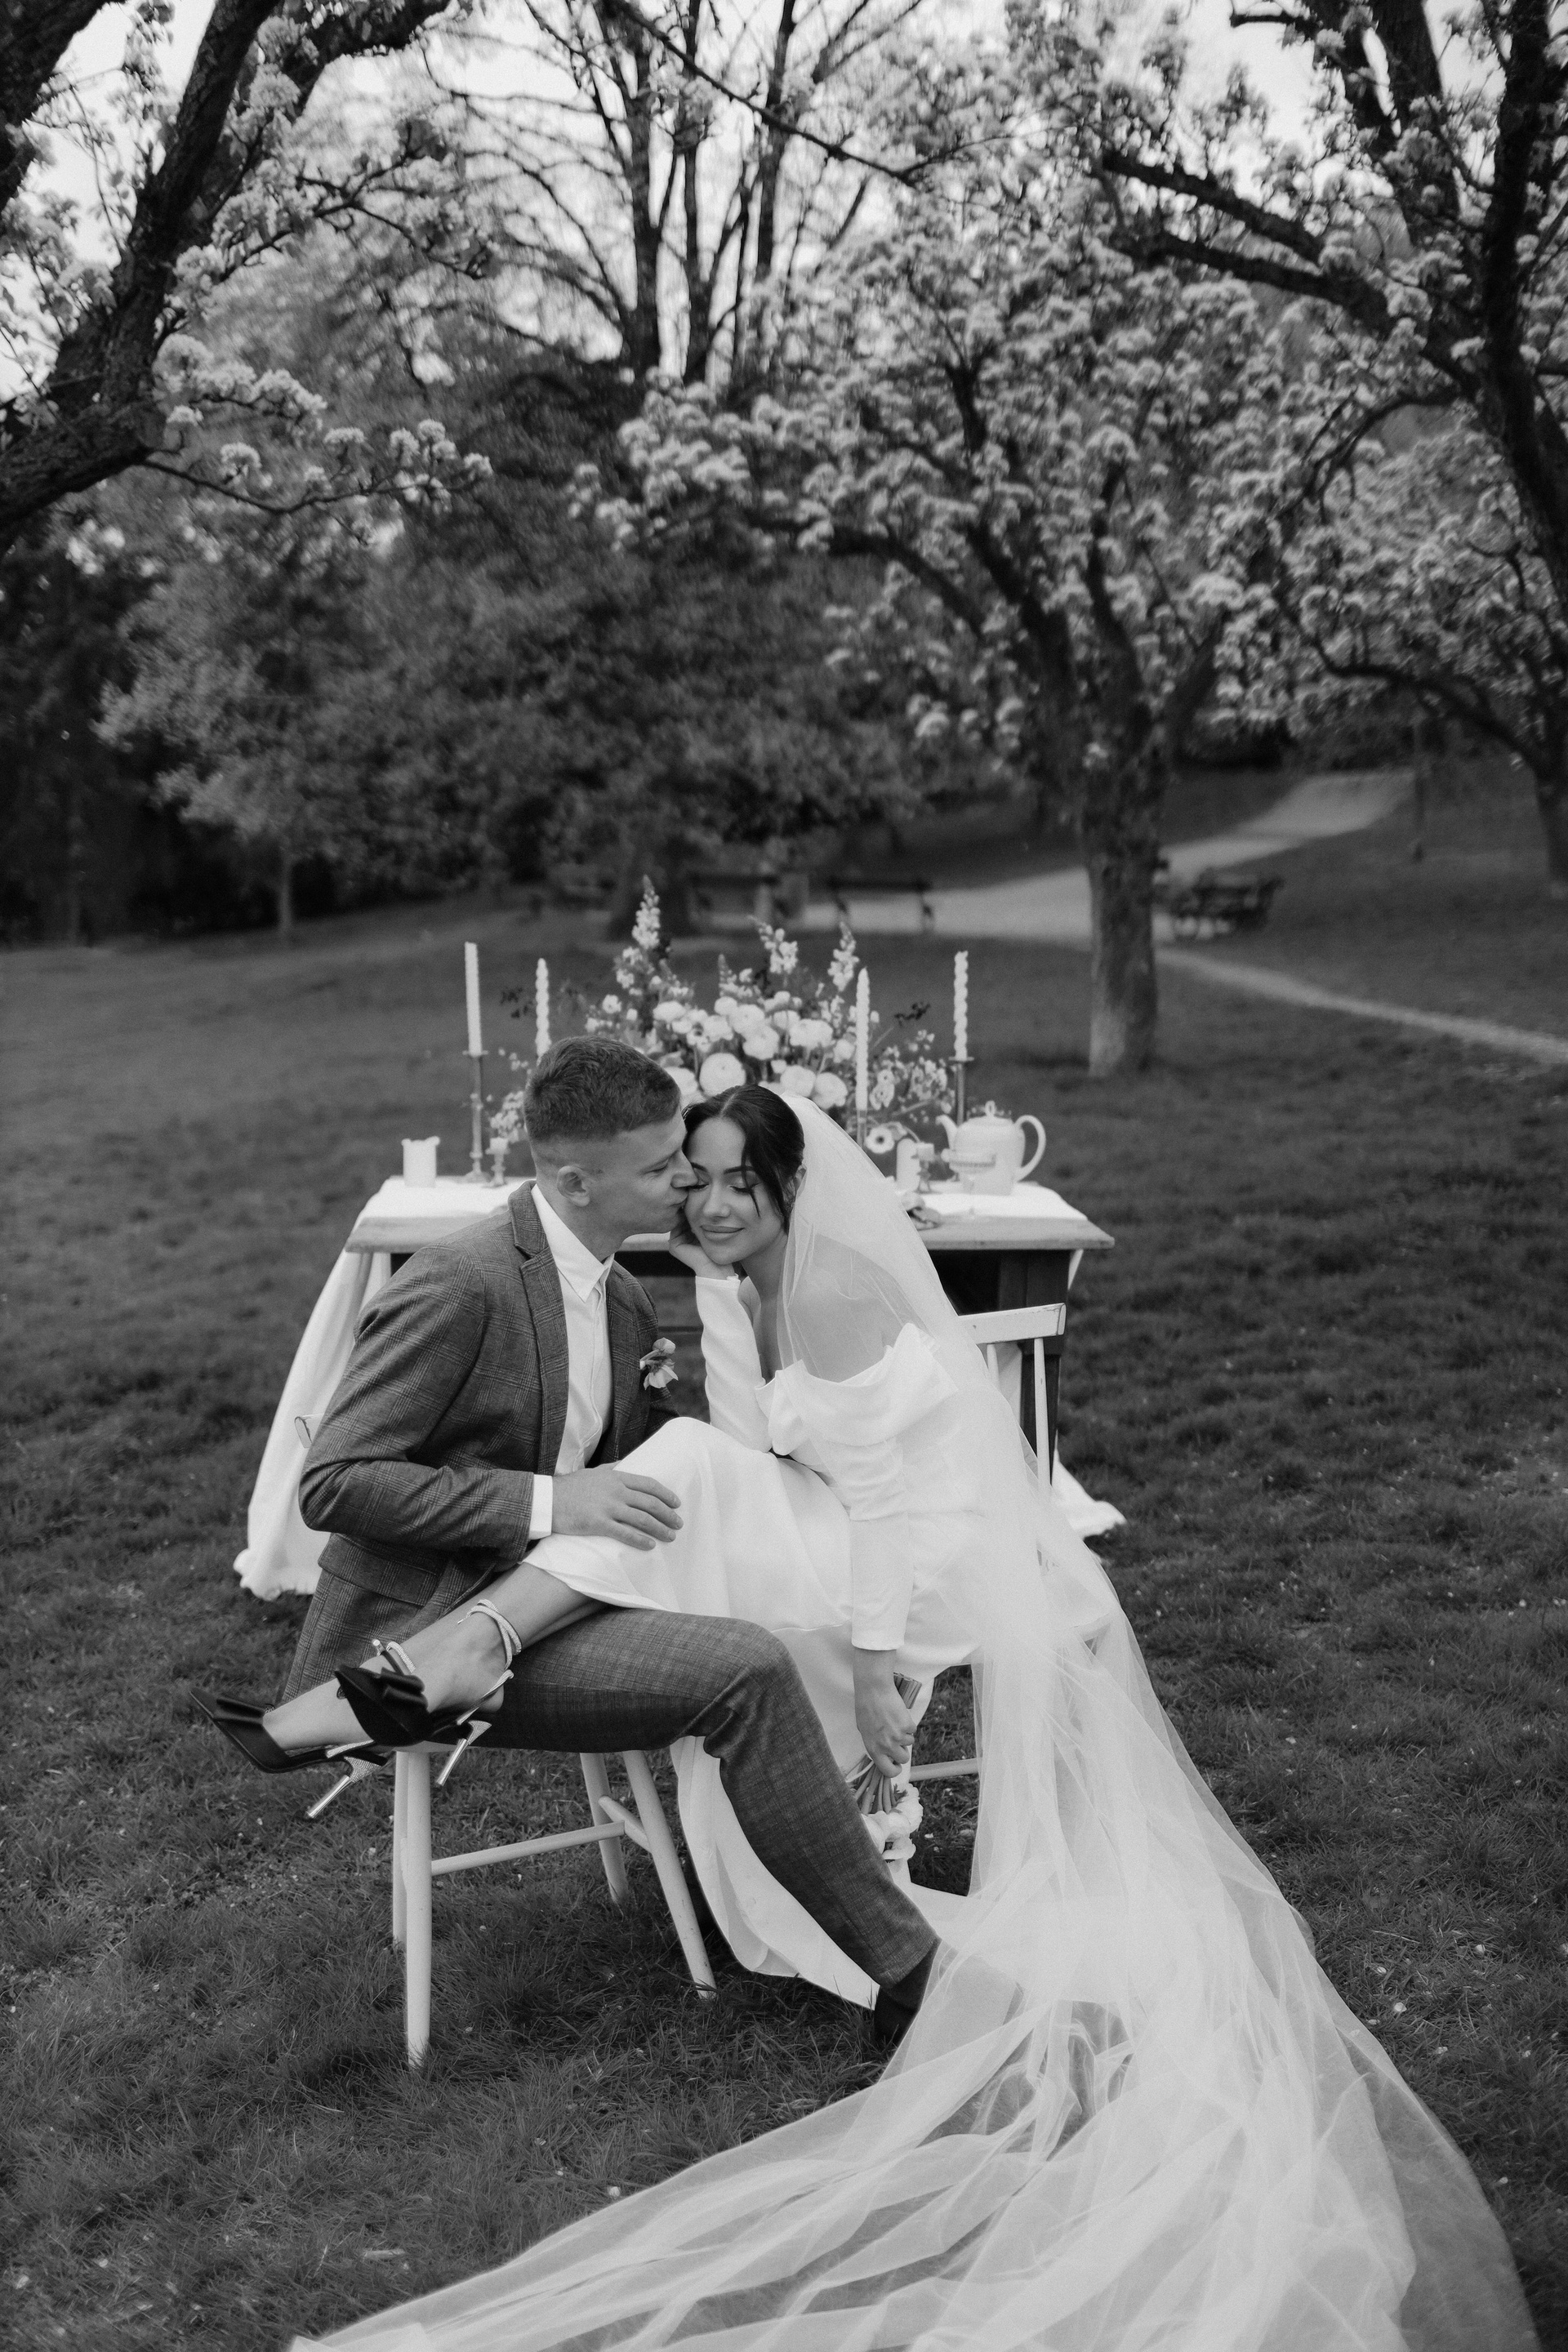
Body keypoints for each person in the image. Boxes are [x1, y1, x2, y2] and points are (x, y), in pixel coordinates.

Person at [287, 1083, 1536, 2352]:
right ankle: (505, 1659)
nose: (705, 1203)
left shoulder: (827, 1292)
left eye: (733, 1182)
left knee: (681, 1474)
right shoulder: (706, 1287)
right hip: (815, 1522)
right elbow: (748, 1456)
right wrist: (618, 1480)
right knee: (685, 1476)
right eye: (689, 1177)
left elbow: (881, 1505)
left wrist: (877, 1667)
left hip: (911, 1560)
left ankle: (475, 1646)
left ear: (790, 1186)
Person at [194, 1037, 938, 2034]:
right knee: (750, 1666)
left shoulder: (623, 1298)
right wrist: (551, 1502)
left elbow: (649, 1493)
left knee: (748, 1631)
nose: (688, 1180)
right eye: (664, 1166)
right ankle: (914, 1974)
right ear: (576, 1182)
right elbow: (334, 1482)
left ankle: (900, 1971)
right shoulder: (463, 1283)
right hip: (423, 1624)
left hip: (563, 1603)